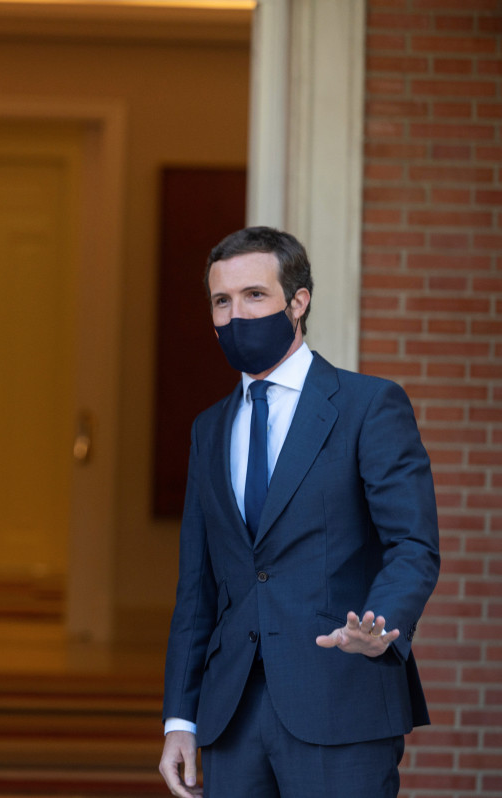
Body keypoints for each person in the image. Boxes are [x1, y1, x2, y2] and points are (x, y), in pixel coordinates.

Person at [158, 227, 440, 797]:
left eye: (254, 296)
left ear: (298, 301)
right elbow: (197, 587)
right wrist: (180, 720)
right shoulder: (208, 429)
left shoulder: (369, 406)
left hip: (342, 702)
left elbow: (413, 546)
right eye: (222, 301)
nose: (236, 315)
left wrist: (381, 626)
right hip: (230, 717)